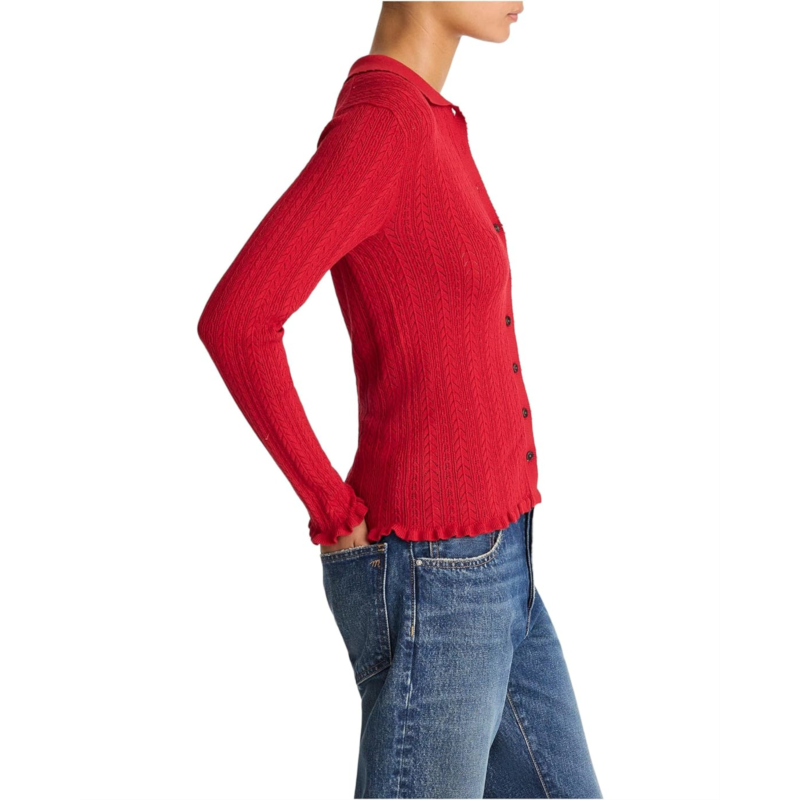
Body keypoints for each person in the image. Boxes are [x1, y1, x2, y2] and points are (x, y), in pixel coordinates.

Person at [198, 2, 601, 797]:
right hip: (437, 575)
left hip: (502, 560)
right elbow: (238, 321)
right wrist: (328, 503)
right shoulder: (383, 128)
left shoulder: (425, 119)